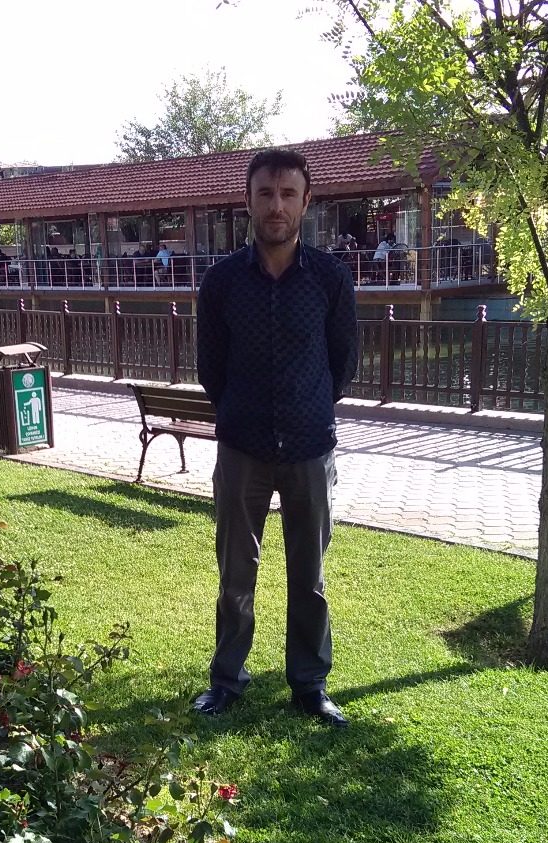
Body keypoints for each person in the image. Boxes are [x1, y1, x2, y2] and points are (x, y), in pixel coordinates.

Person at [192, 147, 359, 728]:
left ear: (306, 202)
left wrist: (307, 406)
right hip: (242, 448)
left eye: (288, 194)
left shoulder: (330, 278)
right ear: (248, 200)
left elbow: (344, 362)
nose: (276, 206)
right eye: (266, 193)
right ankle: (227, 679)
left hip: (310, 447)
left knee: (308, 575)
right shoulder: (221, 282)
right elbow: (210, 367)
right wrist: (244, 411)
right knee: (235, 573)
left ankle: (309, 683)